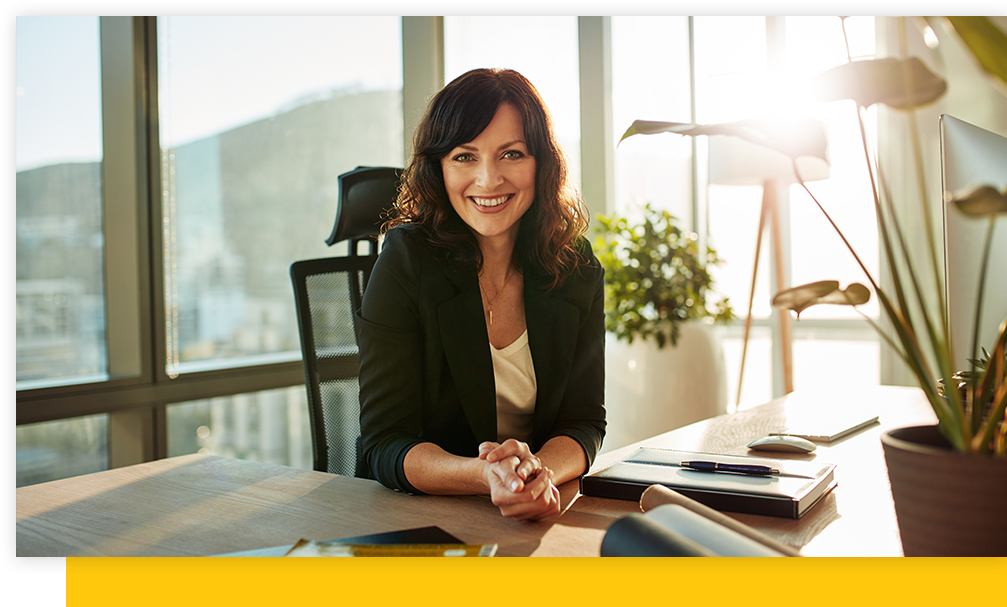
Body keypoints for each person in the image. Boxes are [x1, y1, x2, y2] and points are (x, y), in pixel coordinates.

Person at [357, 68, 605, 522]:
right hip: (421, 518)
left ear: (541, 163)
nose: (489, 180)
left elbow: (584, 422)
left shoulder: (575, 267)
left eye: (511, 153)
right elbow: (384, 442)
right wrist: (486, 476)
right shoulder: (406, 261)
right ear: (439, 167)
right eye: (465, 156)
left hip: (535, 517)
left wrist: (536, 472)